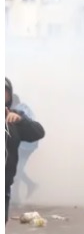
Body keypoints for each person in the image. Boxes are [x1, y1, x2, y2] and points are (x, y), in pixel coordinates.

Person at [5, 78, 45, 223]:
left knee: (18, 169)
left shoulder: (17, 114)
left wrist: (21, 121)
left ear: (10, 97)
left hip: (25, 146)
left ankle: (18, 197)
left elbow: (38, 132)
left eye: (4, 93)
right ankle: (26, 189)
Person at [9, 93, 40, 203]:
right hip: (28, 144)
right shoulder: (24, 107)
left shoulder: (17, 109)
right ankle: (30, 184)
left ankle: (16, 200)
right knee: (16, 168)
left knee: (16, 170)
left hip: (24, 145)